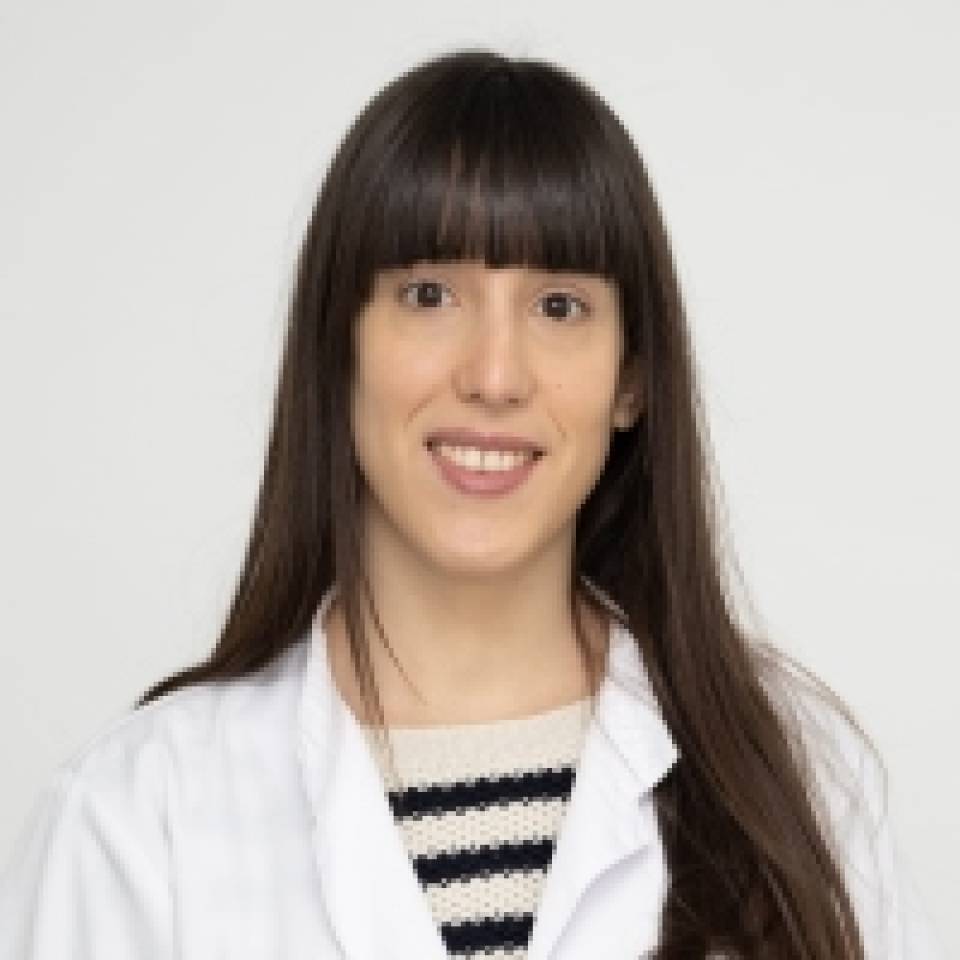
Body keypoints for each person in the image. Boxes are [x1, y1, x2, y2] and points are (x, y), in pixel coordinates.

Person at [0, 47, 945, 960]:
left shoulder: (796, 786)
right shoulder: (136, 819)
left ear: (631, 379)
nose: (494, 376)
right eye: (429, 294)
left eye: (559, 306)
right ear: (338, 349)